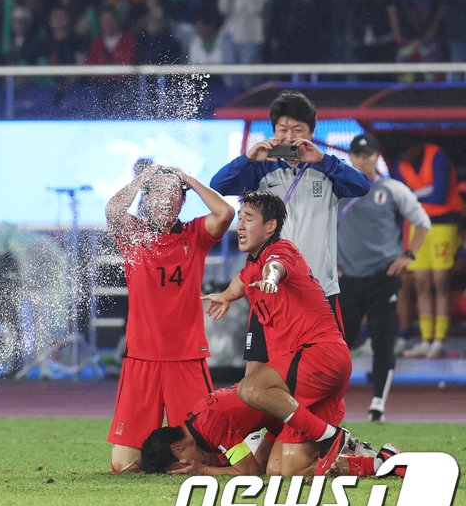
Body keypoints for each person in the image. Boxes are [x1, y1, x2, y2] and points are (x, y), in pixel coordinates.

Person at [210, 92, 369, 371]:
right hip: (269, 288)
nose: (289, 137)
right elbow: (218, 185)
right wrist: (247, 159)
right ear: (273, 132)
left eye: (298, 130)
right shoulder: (260, 169)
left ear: (311, 132)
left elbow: (362, 187)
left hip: (319, 290)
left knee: (319, 374)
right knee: (256, 378)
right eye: (282, 130)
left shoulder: (328, 169)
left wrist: (324, 160)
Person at [202, 191, 354, 477]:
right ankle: (374, 461)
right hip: (314, 370)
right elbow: (241, 281)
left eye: (249, 219)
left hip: (318, 356)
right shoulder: (253, 265)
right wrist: (226, 296)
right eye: (240, 219)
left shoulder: (280, 252)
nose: (241, 226)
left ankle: (330, 437)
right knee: (281, 470)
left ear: (270, 226)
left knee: (252, 388)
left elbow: (277, 268)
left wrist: (272, 279)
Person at [105, 164, 233, 473]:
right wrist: (142, 178)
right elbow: (112, 211)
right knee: (122, 466)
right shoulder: (134, 236)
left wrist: (188, 179)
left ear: (183, 200)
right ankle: (165, 461)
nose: (166, 198)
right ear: (146, 199)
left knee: (209, 455)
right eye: (158, 191)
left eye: (174, 192)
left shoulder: (194, 235)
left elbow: (226, 213)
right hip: (141, 357)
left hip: (186, 357)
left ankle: (180, 461)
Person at [337, 134, 429, 422]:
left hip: (382, 277)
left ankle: (378, 404)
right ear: (350, 158)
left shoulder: (392, 189)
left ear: (377, 157)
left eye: (368, 155)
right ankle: (330, 400)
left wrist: (408, 257)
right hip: (346, 277)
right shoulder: (338, 190)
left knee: (383, 340)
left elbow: (422, 223)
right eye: (358, 155)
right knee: (338, 345)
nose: (363, 160)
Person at [139, 385, 400, 477]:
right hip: (285, 416)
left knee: (283, 469)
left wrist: (202, 470)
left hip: (308, 408)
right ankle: (339, 445)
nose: (188, 467)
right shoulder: (200, 419)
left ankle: (376, 463)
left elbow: (249, 473)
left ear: (178, 448)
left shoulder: (211, 426)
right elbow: (252, 466)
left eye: (181, 466)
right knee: (270, 467)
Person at [392, 142, 461, 359]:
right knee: (421, 280)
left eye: (408, 149)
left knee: (440, 280)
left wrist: (412, 196)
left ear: (416, 146)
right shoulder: (400, 164)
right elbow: (400, 198)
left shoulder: (436, 156)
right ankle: (425, 339)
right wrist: (421, 195)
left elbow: (440, 195)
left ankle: (439, 340)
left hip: (443, 223)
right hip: (418, 226)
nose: (405, 154)